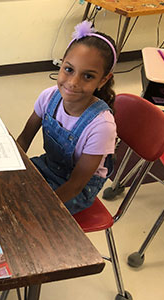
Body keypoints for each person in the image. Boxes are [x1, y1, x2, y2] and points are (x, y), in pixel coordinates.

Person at [17, 21, 117, 214]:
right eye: (69, 69)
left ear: (103, 80)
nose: (72, 83)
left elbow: (76, 185)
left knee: (25, 214)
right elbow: (23, 139)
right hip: (48, 166)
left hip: (77, 189)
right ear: (61, 64)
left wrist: (41, 208)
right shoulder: (48, 97)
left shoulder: (102, 126)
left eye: (88, 76)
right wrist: (9, 171)